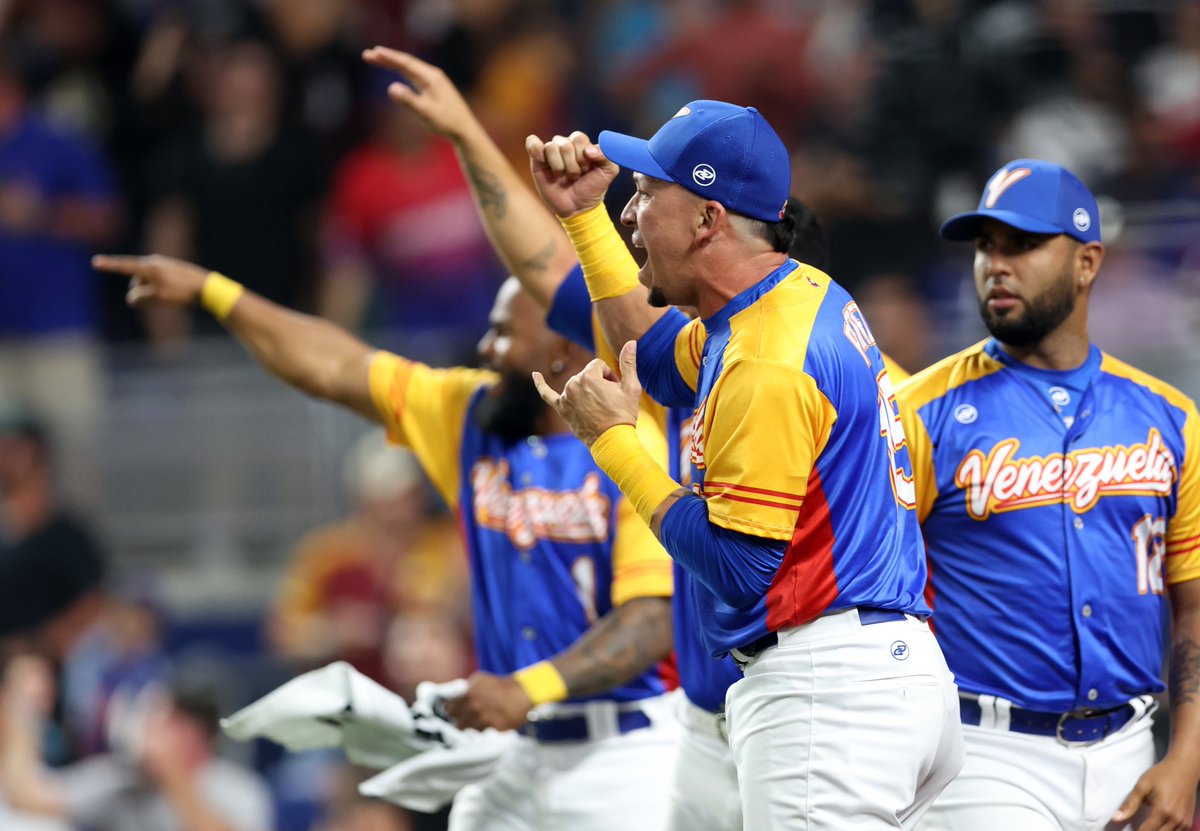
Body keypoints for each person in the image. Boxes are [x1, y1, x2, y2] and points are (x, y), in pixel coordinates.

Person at [89, 253, 680, 830]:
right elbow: (333, 366)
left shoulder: (631, 445)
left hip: (622, 751)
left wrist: (528, 688)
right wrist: (214, 291)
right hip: (514, 751)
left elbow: (653, 619)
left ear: (562, 353)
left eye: (503, 334)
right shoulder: (471, 414)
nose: (485, 347)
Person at [524, 102, 963, 828]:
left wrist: (614, 444)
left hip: (827, 689)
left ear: (708, 219)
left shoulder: (764, 359)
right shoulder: (789, 296)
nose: (630, 213)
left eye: (645, 193)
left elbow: (738, 565)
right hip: (874, 673)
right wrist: (583, 219)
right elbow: (655, 361)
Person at [897, 159, 1200, 831]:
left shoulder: (1171, 418)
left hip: (1133, 749)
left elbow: (1194, 603)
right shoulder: (920, 412)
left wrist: (1187, 759)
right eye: (986, 246)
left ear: (1087, 262)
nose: (996, 265)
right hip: (984, 753)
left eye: (1024, 244)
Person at [0, 653, 274, 831]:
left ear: (198, 733)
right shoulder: (123, 780)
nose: (148, 726)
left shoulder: (240, 790)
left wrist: (172, 773)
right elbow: (28, 798)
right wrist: (24, 712)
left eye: (166, 719)